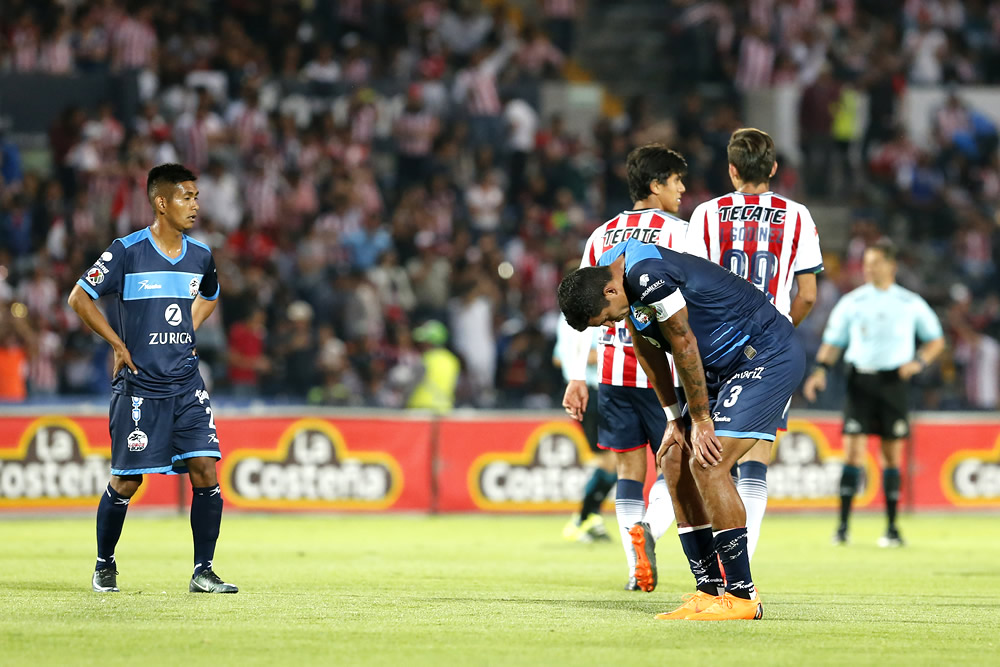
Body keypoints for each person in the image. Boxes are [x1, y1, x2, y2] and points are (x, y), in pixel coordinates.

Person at [559, 236, 807, 620]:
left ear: (610, 289)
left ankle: (742, 596)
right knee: (674, 459)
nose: (613, 323)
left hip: (764, 353)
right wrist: (674, 418)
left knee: (708, 462)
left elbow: (684, 342)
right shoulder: (613, 269)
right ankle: (708, 591)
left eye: (608, 316)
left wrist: (702, 420)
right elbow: (645, 346)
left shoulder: (646, 274)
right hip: (721, 368)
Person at [68, 163, 237, 594]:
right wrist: (117, 344)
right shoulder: (126, 250)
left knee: (206, 469)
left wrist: (187, 331)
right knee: (127, 480)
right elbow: (79, 297)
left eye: (196, 196)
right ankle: (105, 563)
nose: (195, 204)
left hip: (186, 383)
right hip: (140, 386)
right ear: (161, 203)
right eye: (186, 197)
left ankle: (204, 570)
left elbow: (210, 295)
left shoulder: (201, 255)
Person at [685, 127, 824, 560]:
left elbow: (691, 285)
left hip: (715, 347)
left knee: (708, 458)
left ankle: (710, 565)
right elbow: (808, 295)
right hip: (767, 352)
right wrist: (777, 332)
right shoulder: (797, 214)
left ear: (731, 170)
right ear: (774, 169)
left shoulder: (707, 213)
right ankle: (741, 567)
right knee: (755, 459)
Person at [561, 144, 688, 591]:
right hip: (665, 374)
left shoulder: (602, 234)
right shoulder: (678, 232)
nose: (682, 189)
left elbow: (581, 301)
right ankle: (648, 533)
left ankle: (636, 570)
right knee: (680, 472)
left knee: (627, 473)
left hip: (612, 372)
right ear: (655, 186)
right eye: (675, 181)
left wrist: (578, 374)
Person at [803, 239, 944, 547]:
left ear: (891, 266)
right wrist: (819, 372)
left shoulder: (909, 302)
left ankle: (892, 528)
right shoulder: (853, 301)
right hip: (861, 382)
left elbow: (935, 340)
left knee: (891, 458)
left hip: (893, 384)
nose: (868, 267)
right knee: (853, 453)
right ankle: (842, 527)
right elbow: (833, 342)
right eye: (866, 262)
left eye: (875, 262)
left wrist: (919, 362)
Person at [553, 312, 613, 542]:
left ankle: (589, 518)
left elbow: (558, 358)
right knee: (611, 461)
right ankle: (584, 518)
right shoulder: (593, 313)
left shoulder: (565, 315)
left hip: (580, 390)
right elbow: (587, 355)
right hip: (593, 391)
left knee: (612, 459)